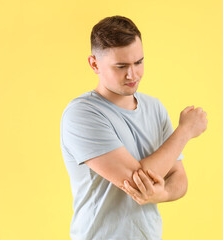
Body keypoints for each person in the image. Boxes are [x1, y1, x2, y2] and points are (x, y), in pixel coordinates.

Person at [60, 15, 208, 240]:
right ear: (94, 64)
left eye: (138, 62)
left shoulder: (154, 107)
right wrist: (185, 131)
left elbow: (178, 177)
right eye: (121, 66)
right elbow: (138, 183)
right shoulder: (82, 114)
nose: (133, 74)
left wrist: (162, 192)